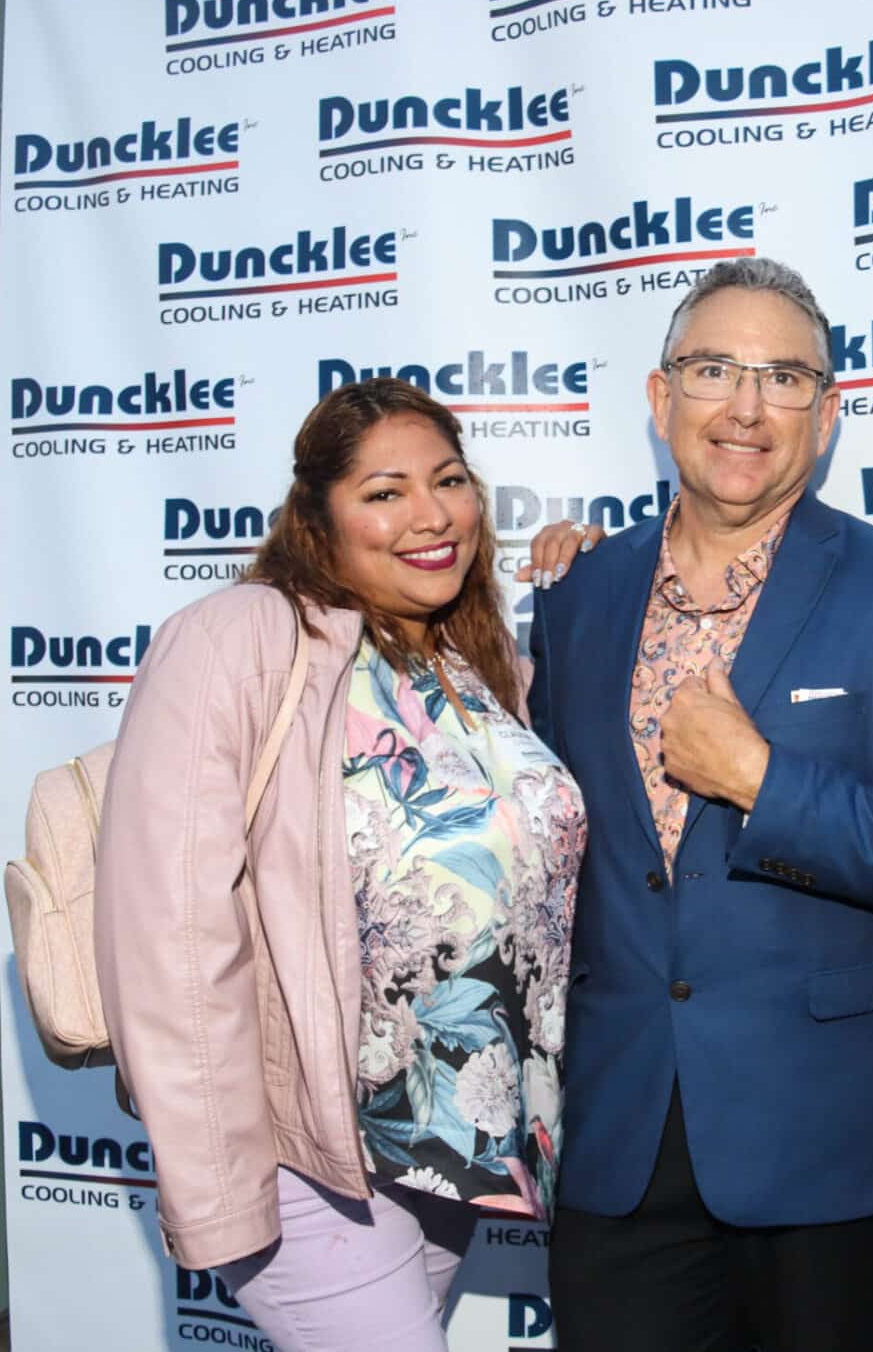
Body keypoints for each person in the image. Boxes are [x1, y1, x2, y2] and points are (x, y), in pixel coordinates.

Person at [520, 257, 873, 1351]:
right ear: (659, 397)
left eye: (783, 377)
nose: (745, 406)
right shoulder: (578, 596)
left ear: (824, 417)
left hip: (825, 1147)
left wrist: (763, 782)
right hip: (618, 1140)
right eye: (713, 370)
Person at [94, 379, 585, 1350]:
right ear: (318, 513)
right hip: (302, 1152)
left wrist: (602, 588)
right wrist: (221, 1183)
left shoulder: (478, 666)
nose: (430, 514)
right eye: (385, 491)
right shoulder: (241, 637)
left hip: (446, 1151)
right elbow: (167, 930)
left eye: (448, 480)